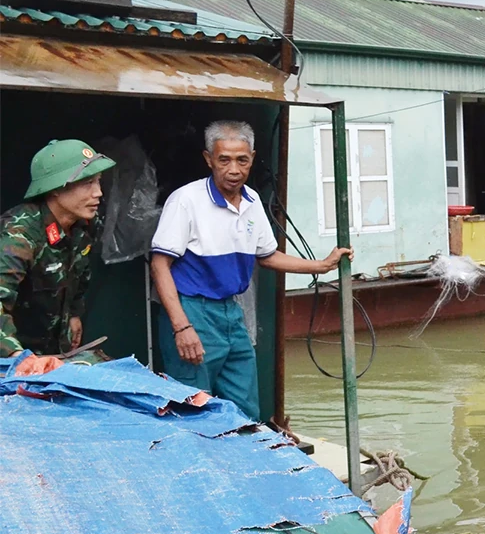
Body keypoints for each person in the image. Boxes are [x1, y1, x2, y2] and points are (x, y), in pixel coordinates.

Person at [150, 121, 351, 421]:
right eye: (224, 160)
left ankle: (243, 465)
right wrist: (182, 327)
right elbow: (159, 264)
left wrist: (320, 266)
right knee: (192, 406)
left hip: (231, 313)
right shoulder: (186, 200)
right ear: (208, 159)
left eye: (242, 160)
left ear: (252, 158)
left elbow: (267, 256)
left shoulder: (252, 200)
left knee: (243, 403)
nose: (234, 169)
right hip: (193, 311)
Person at [0, 140, 116, 375]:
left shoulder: (83, 227)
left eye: (98, 182)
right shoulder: (19, 233)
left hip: (52, 356)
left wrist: (74, 314)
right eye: (87, 183)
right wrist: (15, 355)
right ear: (55, 188)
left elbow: (79, 276)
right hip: (11, 364)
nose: (98, 193)